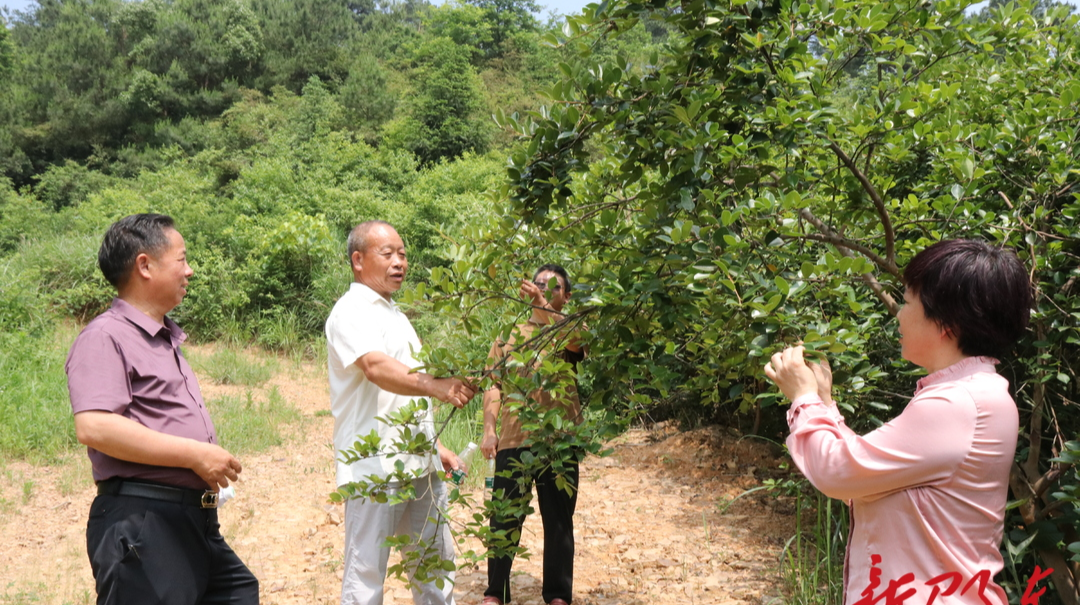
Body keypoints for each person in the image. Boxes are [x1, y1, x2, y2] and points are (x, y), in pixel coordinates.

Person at [764, 239, 1032, 605]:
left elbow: (837, 473)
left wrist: (802, 399)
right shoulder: (979, 393)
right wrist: (825, 405)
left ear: (947, 325)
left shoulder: (957, 404)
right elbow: (866, 480)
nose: (900, 315)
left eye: (908, 302)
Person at [65, 213, 259, 605]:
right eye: (182, 259)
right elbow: (95, 427)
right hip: (143, 522)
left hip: (193, 521)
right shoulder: (105, 336)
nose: (190, 271)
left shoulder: (163, 337)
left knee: (239, 591)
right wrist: (195, 454)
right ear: (144, 265)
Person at [326, 220, 478, 605]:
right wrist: (436, 384)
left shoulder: (395, 314)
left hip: (420, 464)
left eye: (403, 254)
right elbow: (377, 368)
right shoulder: (350, 311)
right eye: (388, 253)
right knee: (367, 574)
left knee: (435, 569)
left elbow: (406, 395)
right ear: (358, 260)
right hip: (376, 467)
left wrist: (436, 445)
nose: (399, 262)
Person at [480, 264, 586, 605]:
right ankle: (496, 592)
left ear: (566, 296)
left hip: (559, 441)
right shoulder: (508, 334)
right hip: (514, 438)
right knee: (504, 518)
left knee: (558, 521)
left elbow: (577, 344)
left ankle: (557, 595)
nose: (542, 290)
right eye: (538, 285)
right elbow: (493, 385)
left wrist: (544, 305)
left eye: (552, 288)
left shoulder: (568, 325)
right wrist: (488, 430)